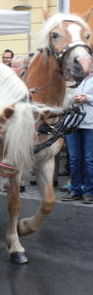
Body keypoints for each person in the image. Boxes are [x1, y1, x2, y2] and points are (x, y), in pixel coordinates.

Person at [60, 70, 93, 204]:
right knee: (74, 158)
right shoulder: (73, 79)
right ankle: (75, 190)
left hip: (90, 124)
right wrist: (71, 99)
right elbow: (64, 98)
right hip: (73, 123)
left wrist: (87, 98)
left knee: (89, 159)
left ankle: (89, 192)